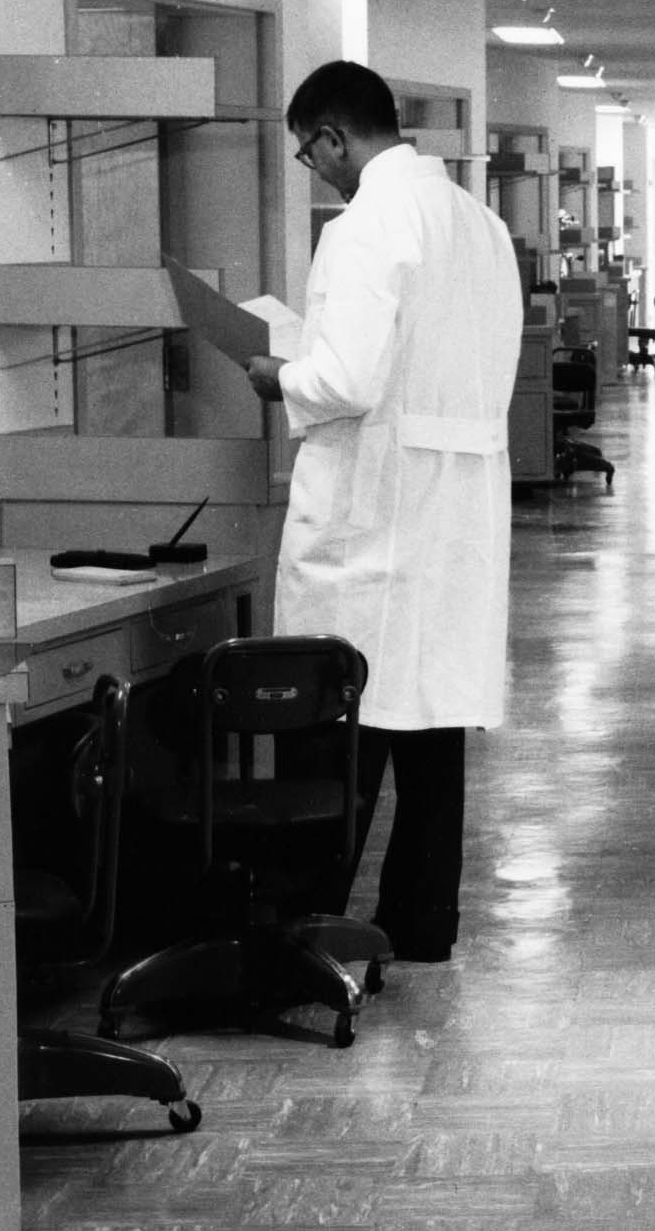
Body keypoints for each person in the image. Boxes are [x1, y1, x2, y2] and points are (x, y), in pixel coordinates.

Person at [245, 59, 522, 964]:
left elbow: (348, 379)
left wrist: (277, 374)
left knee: (335, 721)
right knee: (434, 726)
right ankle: (420, 925)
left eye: (308, 153)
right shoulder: (477, 225)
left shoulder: (366, 225)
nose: (313, 169)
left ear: (333, 136)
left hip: (377, 504)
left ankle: (306, 931)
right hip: (457, 501)